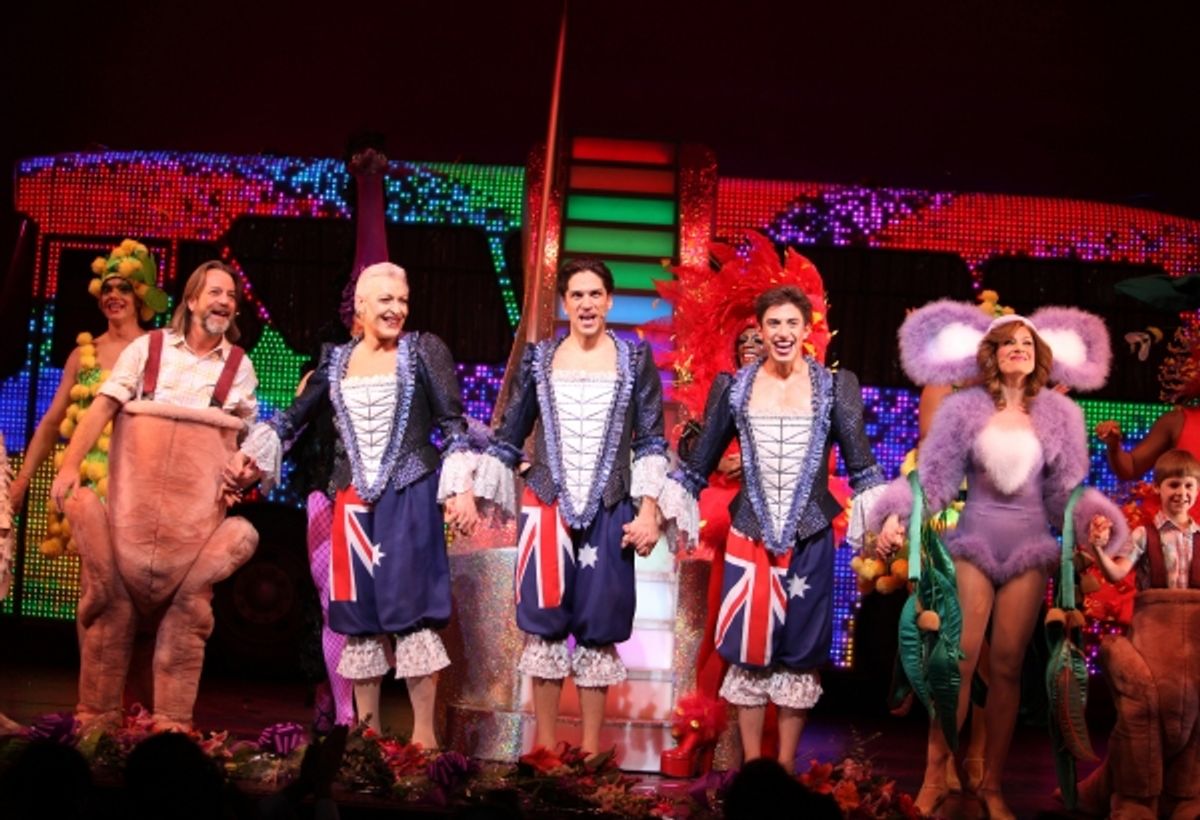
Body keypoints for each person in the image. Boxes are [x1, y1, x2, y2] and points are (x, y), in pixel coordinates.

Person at [873, 303, 1125, 819]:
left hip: (1030, 548)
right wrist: (898, 515)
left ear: (1040, 357)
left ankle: (989, 784)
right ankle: (934, 775)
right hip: (975, 542)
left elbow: (1065, 494)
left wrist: (1093, 523)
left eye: (1027, 343)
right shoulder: (965, 411)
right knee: (956, 660)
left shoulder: (1060, 416)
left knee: (1008, 667)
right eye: (1008, 342)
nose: (1018, 349)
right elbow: (936, 480)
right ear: (992, 353)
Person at [230, 261, 477, 747]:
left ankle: (424, 741)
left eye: (402, 301)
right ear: (361, 307)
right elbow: (296, 417)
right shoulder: (336, 361)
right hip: (352, 501)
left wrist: (462, 488)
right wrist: (251, 457)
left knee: (413, 618)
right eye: (385, 300)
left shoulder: (424, 350)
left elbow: (452, 424)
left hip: (410, 492)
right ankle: (366, 739)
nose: (396, 309)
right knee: (360, 621)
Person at [661, 284, 886, 774]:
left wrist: (883, 526)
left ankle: (783, 772)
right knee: (747, 654)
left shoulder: (835, 386)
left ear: (808, 331)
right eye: (773, 325)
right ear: (759, 332)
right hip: (749, 535)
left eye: (792, 324)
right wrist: (655, 512)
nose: (782, 333)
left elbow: (862, 463)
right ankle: (753, 771)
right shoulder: (734, 386)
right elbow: (698, 466)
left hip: (809, 535)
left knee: (799, 656)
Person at [48, 259, 261, 731]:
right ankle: (97, 723)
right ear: (191, 299)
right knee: (107, 614)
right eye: (215, 293)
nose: (224, 302)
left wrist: (246, 471)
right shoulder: (150, 348)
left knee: (185, 626)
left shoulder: (239, 366)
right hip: (131, 525)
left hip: (190, 536)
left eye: (231, 296)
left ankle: (169, 725)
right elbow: (103, 407)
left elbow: (245, 439)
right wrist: (67, 467)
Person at [473, 257, 668, 757]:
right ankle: (542, 749)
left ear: (608, 300)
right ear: (565, 303)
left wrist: (649, 511)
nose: (585, 303)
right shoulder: (539, 359)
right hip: (547, 505)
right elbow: (510, 434)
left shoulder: (635, 360)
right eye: (576, 295)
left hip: (610, 505)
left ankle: (586, 750)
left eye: (594, 294)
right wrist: (471, 492)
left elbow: (650, 440)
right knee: (544, 630)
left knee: (600, 629)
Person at [8, 240, 167, 545]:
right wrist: (23, 480)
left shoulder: (157, 351)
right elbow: (53, 423)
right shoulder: (84, 355)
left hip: (138, 485)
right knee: (94, 580)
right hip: (89, 486)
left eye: (124, 289)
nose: (114, 296)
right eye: (107, 289)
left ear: (139, 298)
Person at [1074, 449, 1200, 818]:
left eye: (1189, 485)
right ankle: (1135, 798)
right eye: (1173, 484)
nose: (1182, 492)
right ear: (1158, 489)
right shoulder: (1146, 534)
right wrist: (1098, 548)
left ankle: (1186, 799)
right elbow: (1116, 574)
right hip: (1154, 641)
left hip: (1193, 644)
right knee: (1142, 720)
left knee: (1195, 723)